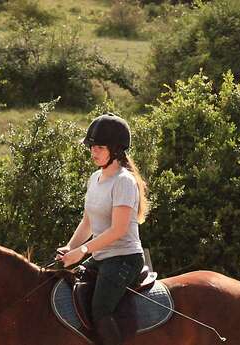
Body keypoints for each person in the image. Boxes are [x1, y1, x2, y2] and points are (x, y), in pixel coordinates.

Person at [57, 113, 149, 345]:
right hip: (101, 257)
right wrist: (70, 247)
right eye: (91, 147)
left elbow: (117, 231)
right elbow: (88, 222)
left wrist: (83, 251)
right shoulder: (95, 178)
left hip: (124, 259)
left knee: (100, 310)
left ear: (116, 150)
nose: (93, 152)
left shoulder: (124, 182)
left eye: (99, 147)